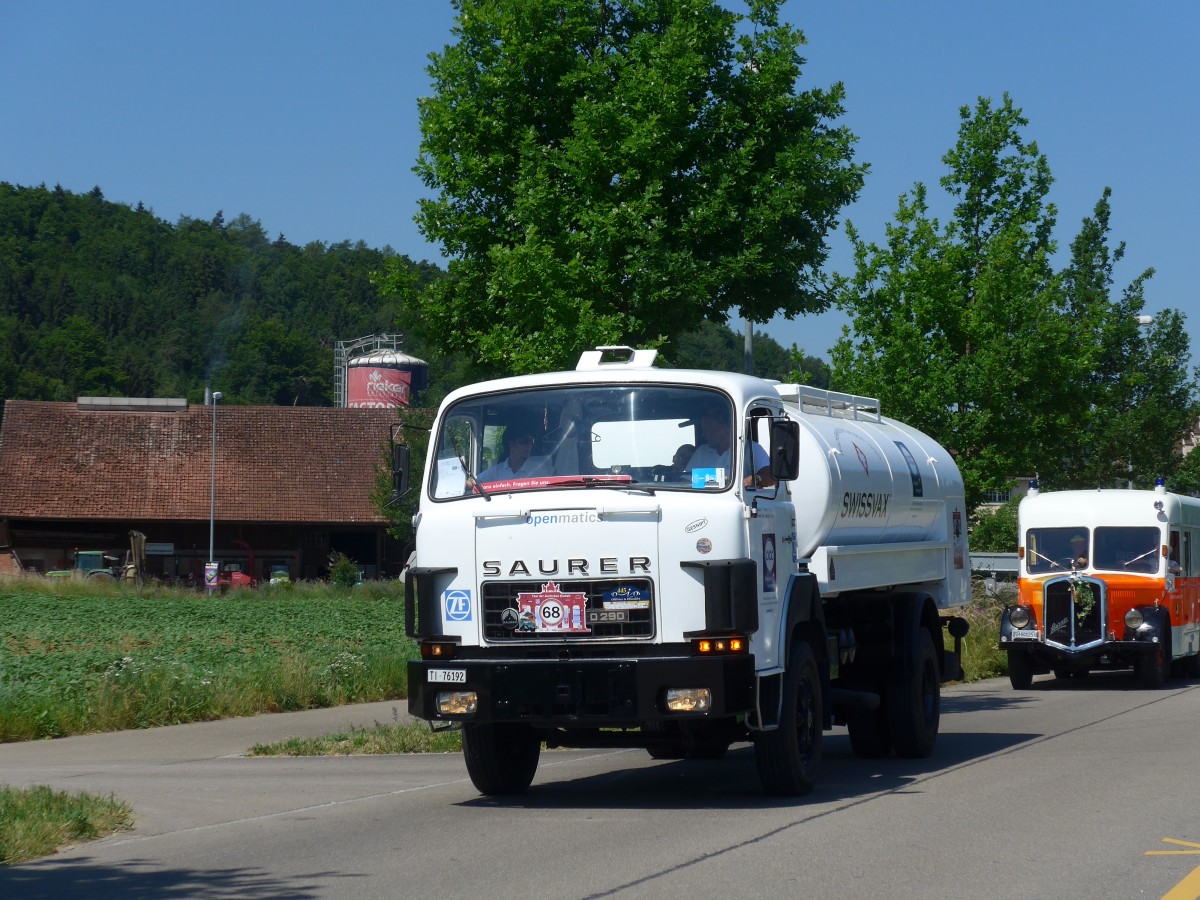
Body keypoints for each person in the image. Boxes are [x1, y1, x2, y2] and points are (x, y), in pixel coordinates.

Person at [687, 406, 774, 488]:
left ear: (721, 428)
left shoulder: (749, 448)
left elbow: (771, 476)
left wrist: (754, 479)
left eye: (706, 430)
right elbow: (686, 479)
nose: (703, 435)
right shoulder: (701, 451)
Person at [475, 422, 552, 483]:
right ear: (511, 444)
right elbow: (474, 482)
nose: (529, 446)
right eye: (524, 442)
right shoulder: (496, 472)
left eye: (531, 442)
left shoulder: (539, 469)